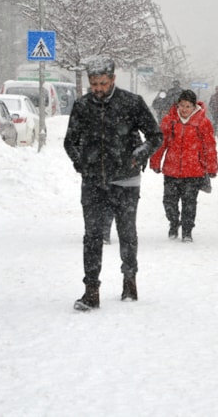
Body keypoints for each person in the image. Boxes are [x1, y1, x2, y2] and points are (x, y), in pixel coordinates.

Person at [64, 56, 163, 311]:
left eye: (103, 83)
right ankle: (91, 291)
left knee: (127, 234)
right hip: (93, 182)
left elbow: (155, 136)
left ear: (113, 79)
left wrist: (138, 155)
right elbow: (70, 142)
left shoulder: (131, 103)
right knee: (92, 236)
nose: (98, 88)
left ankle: (129, 280)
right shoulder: (82, 106)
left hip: (126, 180)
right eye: (94, 83)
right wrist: (81, 163)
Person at [150, 89, 218, 242]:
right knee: (169, 202)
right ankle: (174, 223)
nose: (184, 109)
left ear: (194, 107)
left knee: (189, 204)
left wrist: (212, 167)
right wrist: (155, 161)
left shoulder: (202, 122)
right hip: (171, 170)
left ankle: (187, 230)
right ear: (177, 105)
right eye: (182, 106)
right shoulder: (170, 121)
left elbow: (209, 147)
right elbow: (161, 143)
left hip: (193, 172)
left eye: (188, 106)